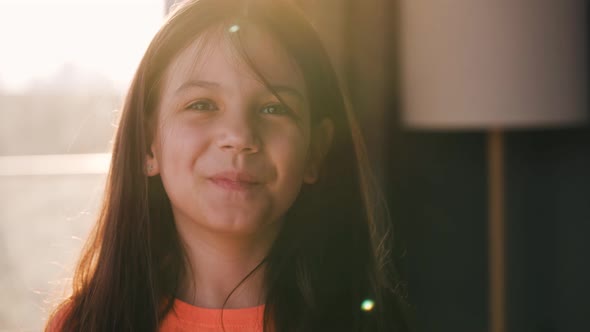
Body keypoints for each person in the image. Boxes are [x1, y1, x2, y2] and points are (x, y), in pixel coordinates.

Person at [46, 0, 410, 330]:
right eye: (202, 104)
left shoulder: (374, 324)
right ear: (148, 144)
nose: (238, 135)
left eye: (274, 108)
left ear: (315, 151)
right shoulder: (86, 324)